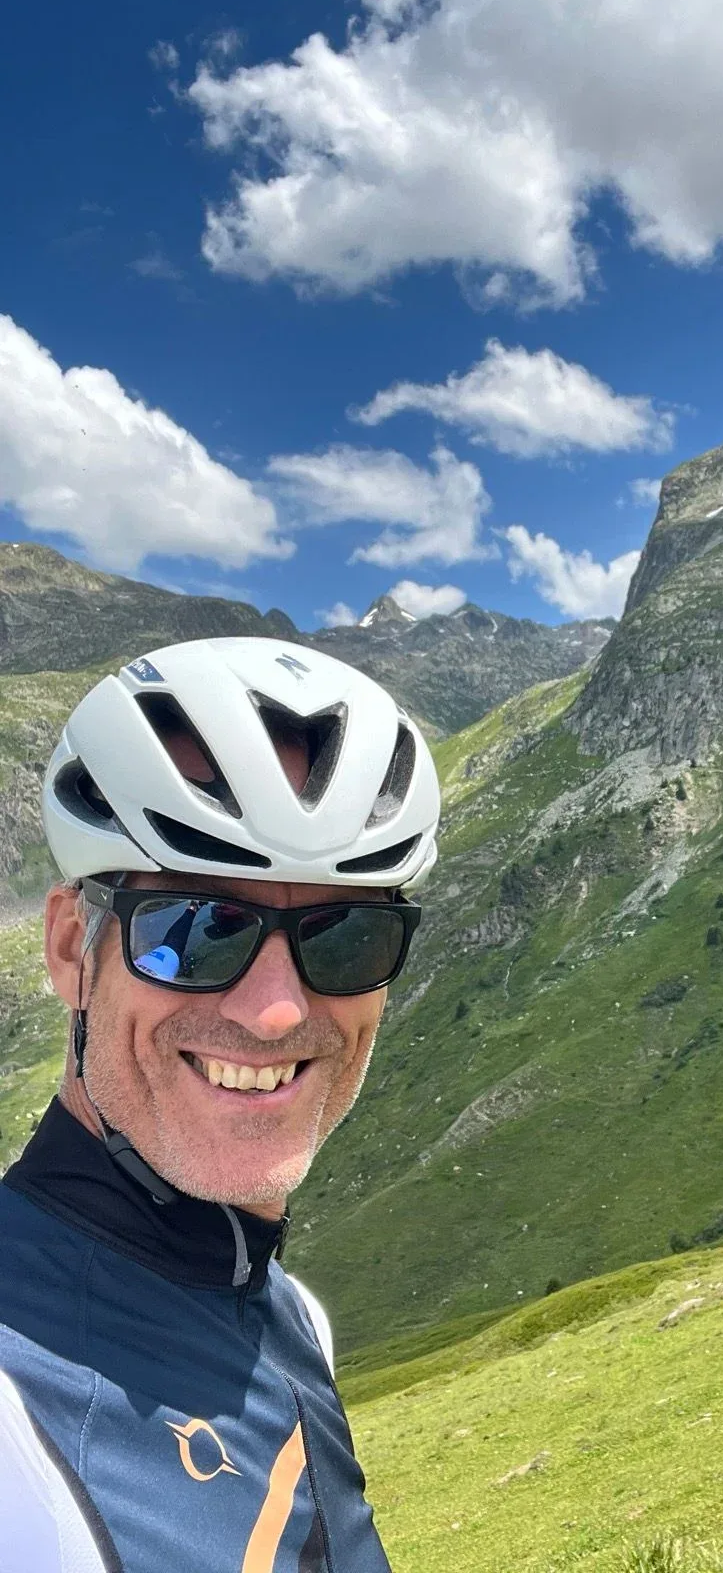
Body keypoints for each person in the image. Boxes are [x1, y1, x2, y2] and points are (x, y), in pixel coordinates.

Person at [0, 637, 440, 1572]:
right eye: (197, 929)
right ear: (74, 948)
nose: (276, 1011)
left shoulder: (290, 1315)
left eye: (345, 934)